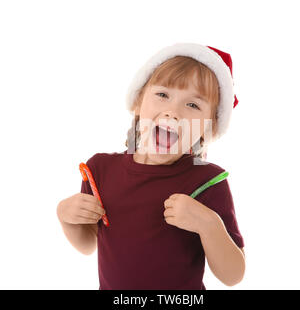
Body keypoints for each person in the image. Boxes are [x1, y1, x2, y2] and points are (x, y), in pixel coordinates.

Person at [57, 42, 245, 290]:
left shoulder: (207, 182)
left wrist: (208, 225)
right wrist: (66, 217)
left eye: (193, 105)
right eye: (163, 95)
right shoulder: (100, 170)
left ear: (209, 127)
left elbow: (232, 276)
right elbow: (89, 244)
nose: (173, 112)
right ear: (138, 102)